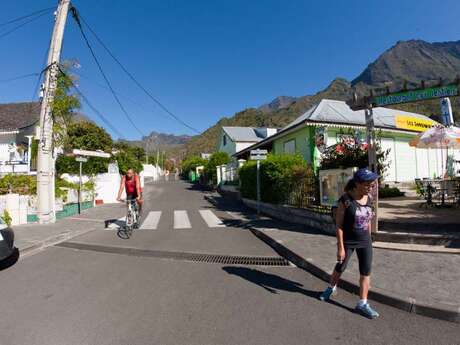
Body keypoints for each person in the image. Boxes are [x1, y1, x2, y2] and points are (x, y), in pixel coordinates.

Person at [319, 168, 380, 319]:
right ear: (358, 184)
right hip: (348, 241)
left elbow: (367, 220)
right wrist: (340, 247)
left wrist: (369, 237)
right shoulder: (345, 200)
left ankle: (363, 303)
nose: (371, 187)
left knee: (365, 272)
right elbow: (339, 225)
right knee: (341, 266)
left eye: (372, 185)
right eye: (368, 185)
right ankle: (331, 288)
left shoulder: (370, 198)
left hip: (365, 241)